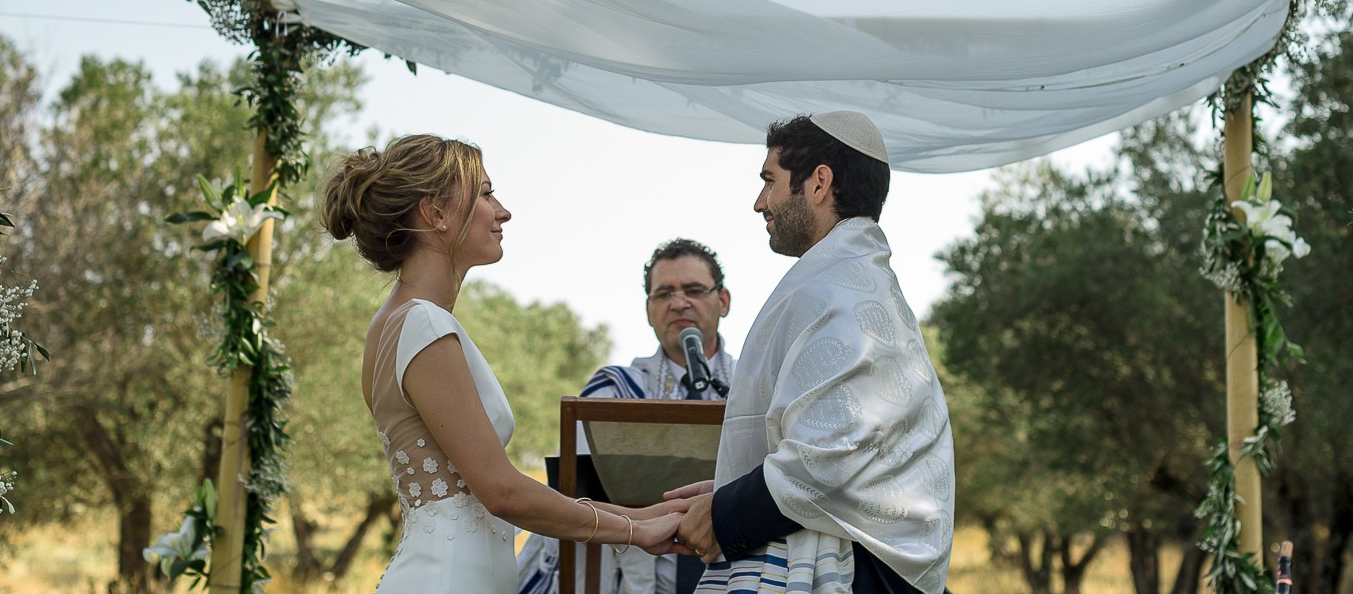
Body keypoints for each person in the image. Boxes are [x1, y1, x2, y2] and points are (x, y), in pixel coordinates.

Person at [321, 134, 689, 593]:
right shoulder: (423, 324)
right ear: (435, 213)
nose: (504, 210)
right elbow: (502, 492)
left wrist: (642, 515)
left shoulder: (395, 321)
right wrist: (634, 533)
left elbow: (479, 490)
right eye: (486, 192)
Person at [666, 112, 954, 594]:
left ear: (819, 182)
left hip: (867, 573)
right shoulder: (853, 283)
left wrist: (725, 513)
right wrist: (728, 492)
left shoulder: (842, 293)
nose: (759, 203)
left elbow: (830, 455)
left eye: (769, 181)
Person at [518, 239, 739, 594]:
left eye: (694, 290)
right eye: (664, 293)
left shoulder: (756, 385)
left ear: (722, 300)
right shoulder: (615, 389)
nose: (679, 302)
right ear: (649, 309)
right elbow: (578, 493)